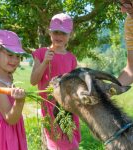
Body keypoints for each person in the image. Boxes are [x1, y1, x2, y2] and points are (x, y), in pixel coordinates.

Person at [30, 13, 81, 150]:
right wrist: (45, 62)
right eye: (56, 32)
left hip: (69, 111)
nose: (59, 36)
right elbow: (33, 81)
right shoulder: (40, 53)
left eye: (63, 33)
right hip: (52, 111)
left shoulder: (71, 58)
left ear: (70, 35)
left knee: (72, 144)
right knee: (60, 145)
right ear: (49, 32)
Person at [0, 30, 28, 150]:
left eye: (18, 56)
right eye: (9, 54)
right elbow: (10, 118)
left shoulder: (7, 76)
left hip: (11, 131)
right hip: (1, 135)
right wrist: (20, 102)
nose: (15, 60)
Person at [118, 0, 133, 85]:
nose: (123, 10)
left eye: (128, 2)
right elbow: (131, 68)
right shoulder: (129, 22)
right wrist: (106, 92)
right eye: (121, 4)